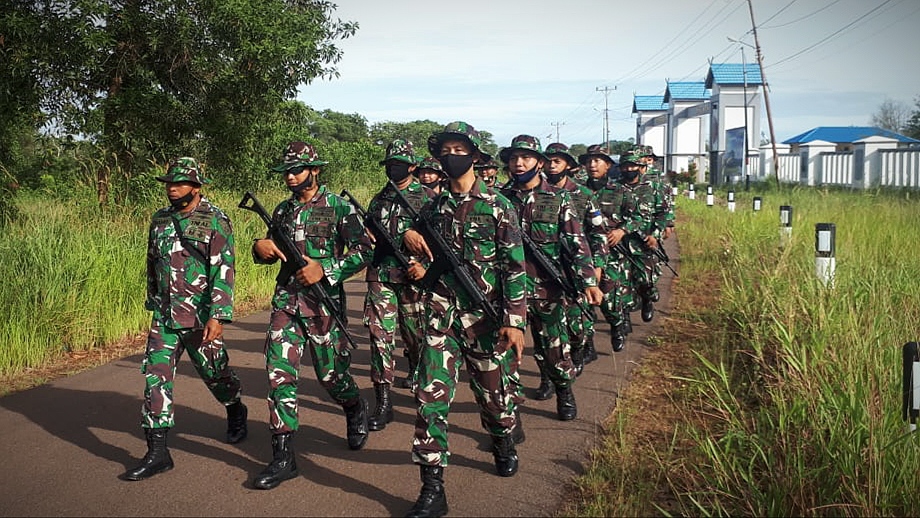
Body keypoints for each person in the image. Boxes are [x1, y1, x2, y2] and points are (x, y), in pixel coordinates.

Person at [401, 121, 527, 518]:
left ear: (474, 154)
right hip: (441, 316)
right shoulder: (433, 206)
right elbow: (417, 244)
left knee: (494, 398)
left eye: (459, 149)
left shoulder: (498, 205)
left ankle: (503, 437)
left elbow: (514, 266)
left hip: (486, 318)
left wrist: (515, 320)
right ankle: (432, 487)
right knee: (429, 398)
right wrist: (410, 240)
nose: (450, 156)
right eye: (445, 149)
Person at [250, 141, 372, 490]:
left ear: (314, 171)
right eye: (286, 171)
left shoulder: (338, 207)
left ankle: (353, 407)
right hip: (286, 302)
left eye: (297, 170)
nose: (290, 177)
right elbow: (270, 248)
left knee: (331, 376)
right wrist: (260, 248)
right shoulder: (282, 211)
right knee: (278, 375)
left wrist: (327, 269)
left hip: (323, 305)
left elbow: (365, 249)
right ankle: (283, 456)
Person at [124, 157, 245, 482]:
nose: (172, 189)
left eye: (179, 184)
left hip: (201, 315)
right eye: (169, 184)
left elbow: (223, 269)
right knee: (156, 375)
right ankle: (158, 452)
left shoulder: (215, 219)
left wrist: (219, 316)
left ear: (196, 186)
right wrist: (153, 299)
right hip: (165, 314)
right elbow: (153, 261)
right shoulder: (160, 219)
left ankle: (235, 408)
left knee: (215, 374)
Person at [499, 135, 602, 418]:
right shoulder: (499, 199)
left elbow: (577, 242)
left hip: (548, 288)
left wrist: (589, 280)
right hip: (509, 291)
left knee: (554, 350)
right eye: (513, 158)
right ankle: (508, 412)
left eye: (526, 158)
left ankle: (563, 390)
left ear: (540, 163)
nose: (518, 164)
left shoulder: (559, 199)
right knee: (506, 353)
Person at [362, 138, 435, 430]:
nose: (395, 168)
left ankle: (420, 378)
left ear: (413, 166)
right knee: (379, 339)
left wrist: (424, 267)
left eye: (401, 164)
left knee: (417, 337)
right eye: (391, 164)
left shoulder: (429, 199)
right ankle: (384, 400)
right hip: (381, 277)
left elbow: (442, 244)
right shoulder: (378, 200)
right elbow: (367, 235)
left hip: (413, 280)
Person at [543, 142, 608, 376]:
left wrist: (596, 267)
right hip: (544, 271)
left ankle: (581, 347)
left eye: (557, 161)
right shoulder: (532, 194)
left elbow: (597, 233)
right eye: (548, 161)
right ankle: (550, 378)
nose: (551, 166)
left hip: (576, 267)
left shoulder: (584, 195)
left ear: (568, 165)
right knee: (548, 331)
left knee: (577, 322)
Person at [578, 145, 633, 353]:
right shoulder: (577, 192)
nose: (592, 165)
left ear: (608, 165)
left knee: (609, 298)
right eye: (589, 161)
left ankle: (617, 325)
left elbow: (637, 216)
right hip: (583, 252)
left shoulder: (620, 191)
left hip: (612, 253)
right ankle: (587, 345)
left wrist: (622, 231)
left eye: (597, 161)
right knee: (583, 300)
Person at [616, 150, 666, 323]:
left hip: (644, 243)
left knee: (645, 281)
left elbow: (662, 213)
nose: (629, 169)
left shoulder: (652, 187)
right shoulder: (613, 188)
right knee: (621, 284)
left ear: (640, 167)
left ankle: (647, 300)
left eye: (633, 165)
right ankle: (624, 318)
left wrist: (655, 235)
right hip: (620, 244)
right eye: (625, 166)